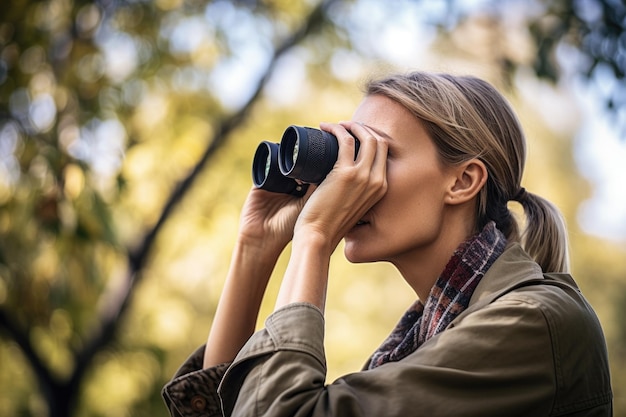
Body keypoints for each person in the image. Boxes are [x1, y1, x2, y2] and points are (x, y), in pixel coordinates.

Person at [162, 71, 613, 416]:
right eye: (348, 156)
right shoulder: (424, 339)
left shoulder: (533, 323)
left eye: (377, 153)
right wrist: (255, 247)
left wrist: (314, 239)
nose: (351, 178)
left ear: (463, 180)